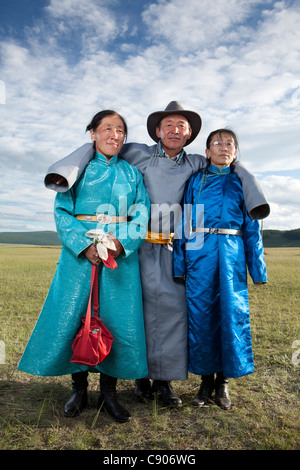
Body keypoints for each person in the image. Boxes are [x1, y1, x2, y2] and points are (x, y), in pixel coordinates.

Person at [44, 102, 270, 407]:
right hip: (132, 248)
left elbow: (227, 164)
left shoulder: (195, 164)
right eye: (169, 125)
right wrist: (65, 171)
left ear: (190, 134)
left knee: (174, 315)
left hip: (172, 249)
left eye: (182, 126)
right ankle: (139, 378)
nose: (175, 130)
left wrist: (248, 179)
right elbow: (98, 147)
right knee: (135, 314)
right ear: (157, 130)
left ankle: (164, 383)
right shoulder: (135, 153)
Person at [18, 110, 150, 423]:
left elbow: (141, 215)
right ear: (92, 133)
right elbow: (62, 212)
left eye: (120, 130)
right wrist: (84, 245)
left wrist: (121, 243)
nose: (114, 135)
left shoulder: (133, 175)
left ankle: (109, 392)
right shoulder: (77, 172)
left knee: (116, 319)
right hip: (79, 258)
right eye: (107, 128)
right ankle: (78, 389)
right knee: (76, 317)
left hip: (118, 258)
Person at [173, 128, 268, 409]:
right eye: (217, 143)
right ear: (207, 151)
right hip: (199, 254)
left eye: (229, 144)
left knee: (231, 316)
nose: (224, 147)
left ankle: (223, 383)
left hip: (232, 255)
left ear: (236, 152)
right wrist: (180, 264)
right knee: (201, 317)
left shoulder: (241, 182)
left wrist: (258, 270)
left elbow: (252, 229)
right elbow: (185, 224)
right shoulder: (196, 182)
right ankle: (204, 383)